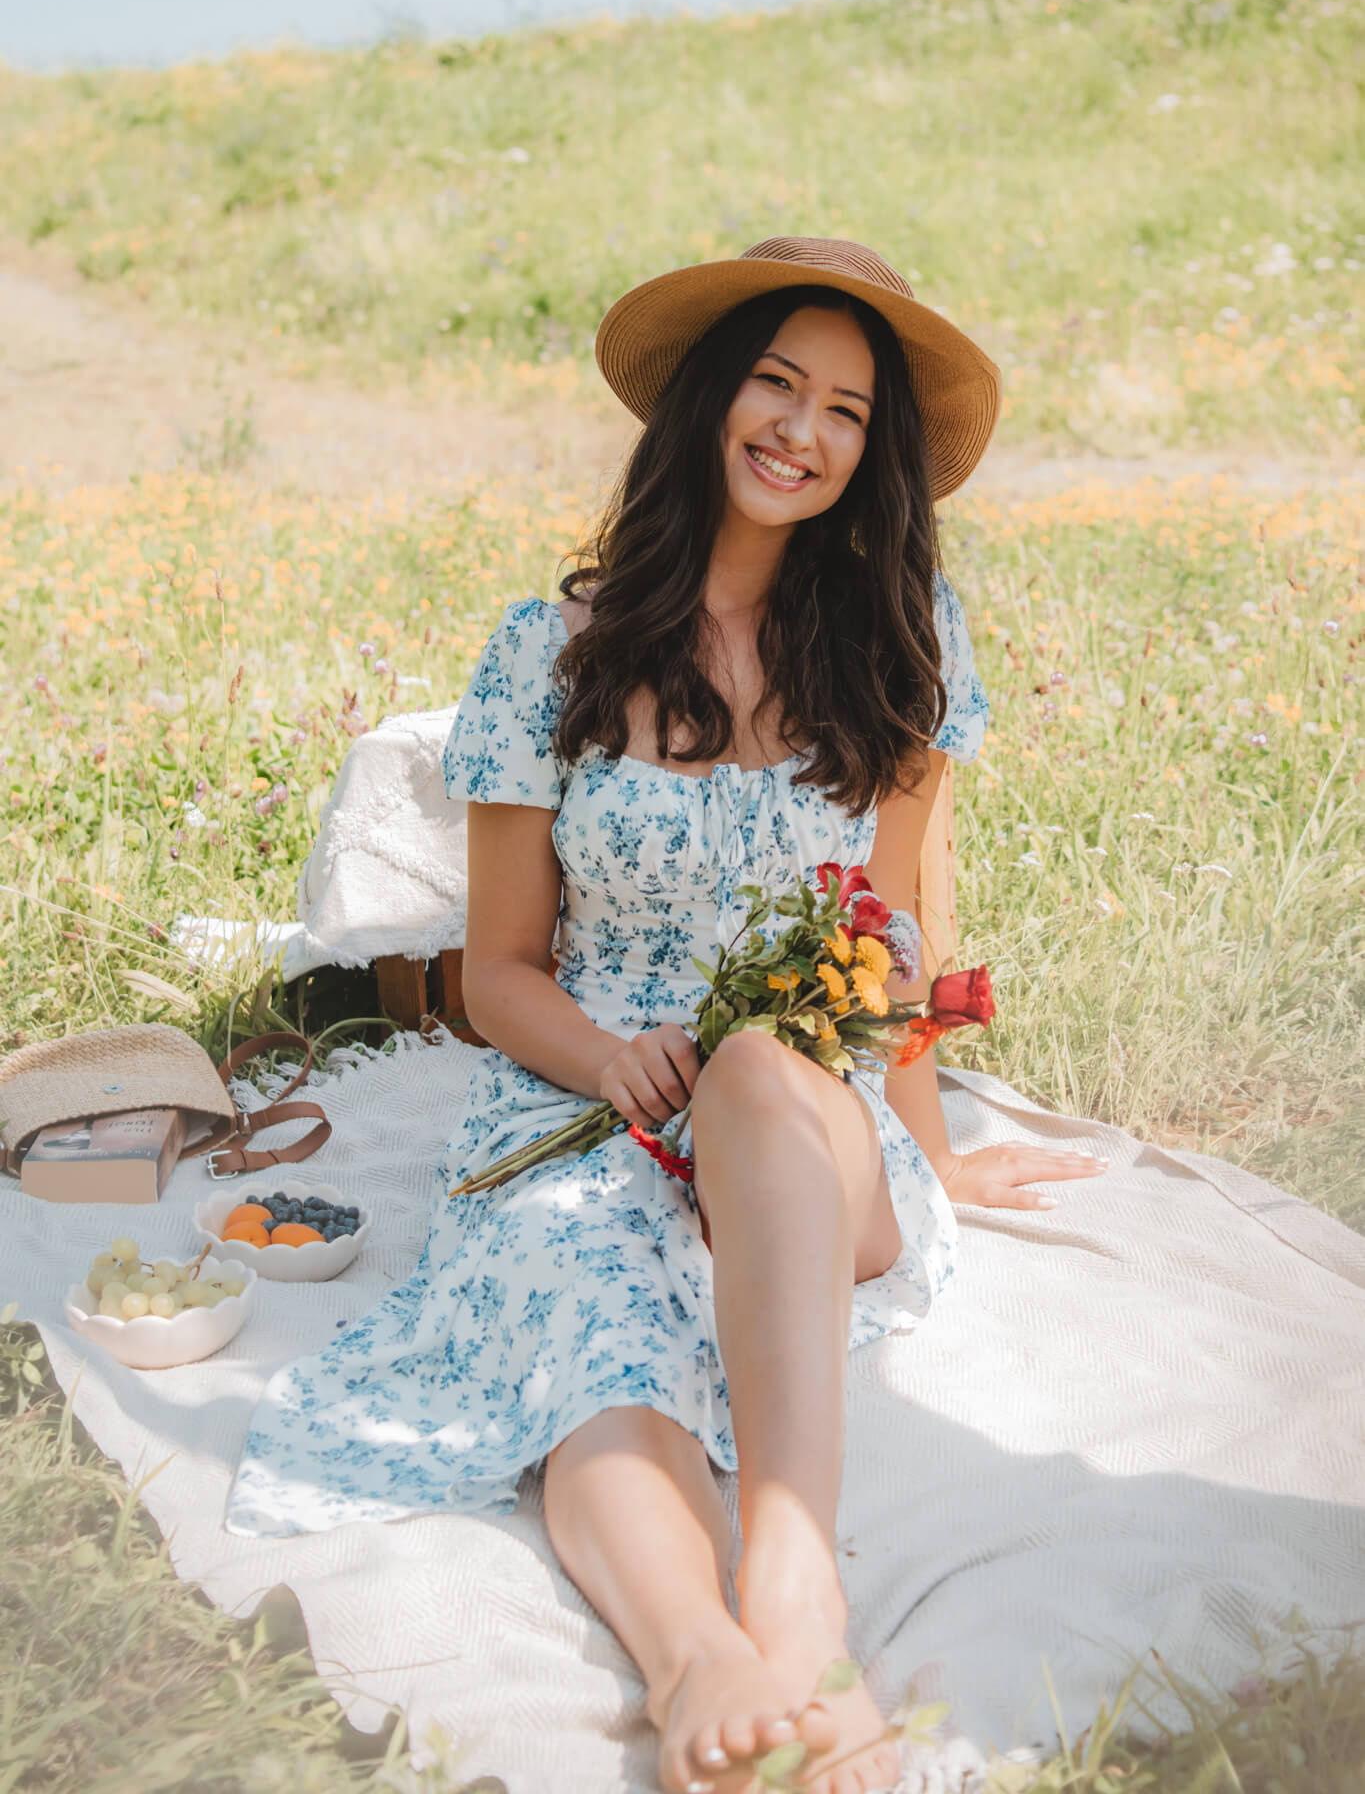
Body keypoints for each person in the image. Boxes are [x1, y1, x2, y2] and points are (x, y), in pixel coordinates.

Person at [227, 237, 1106, 1794]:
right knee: (588, 1330)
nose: (802, 428)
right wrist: (607, 1057)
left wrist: (930, 1147)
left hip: (801, 1121)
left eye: (843, 407)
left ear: (871, 452)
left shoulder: (902, 646)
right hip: (589, 1095)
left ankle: (790, 1570)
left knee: (766, 1063)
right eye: (774, 382)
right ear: (710, 400)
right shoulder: (549, 654)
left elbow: (895, 940)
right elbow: (501, 968)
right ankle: (695, 1654)